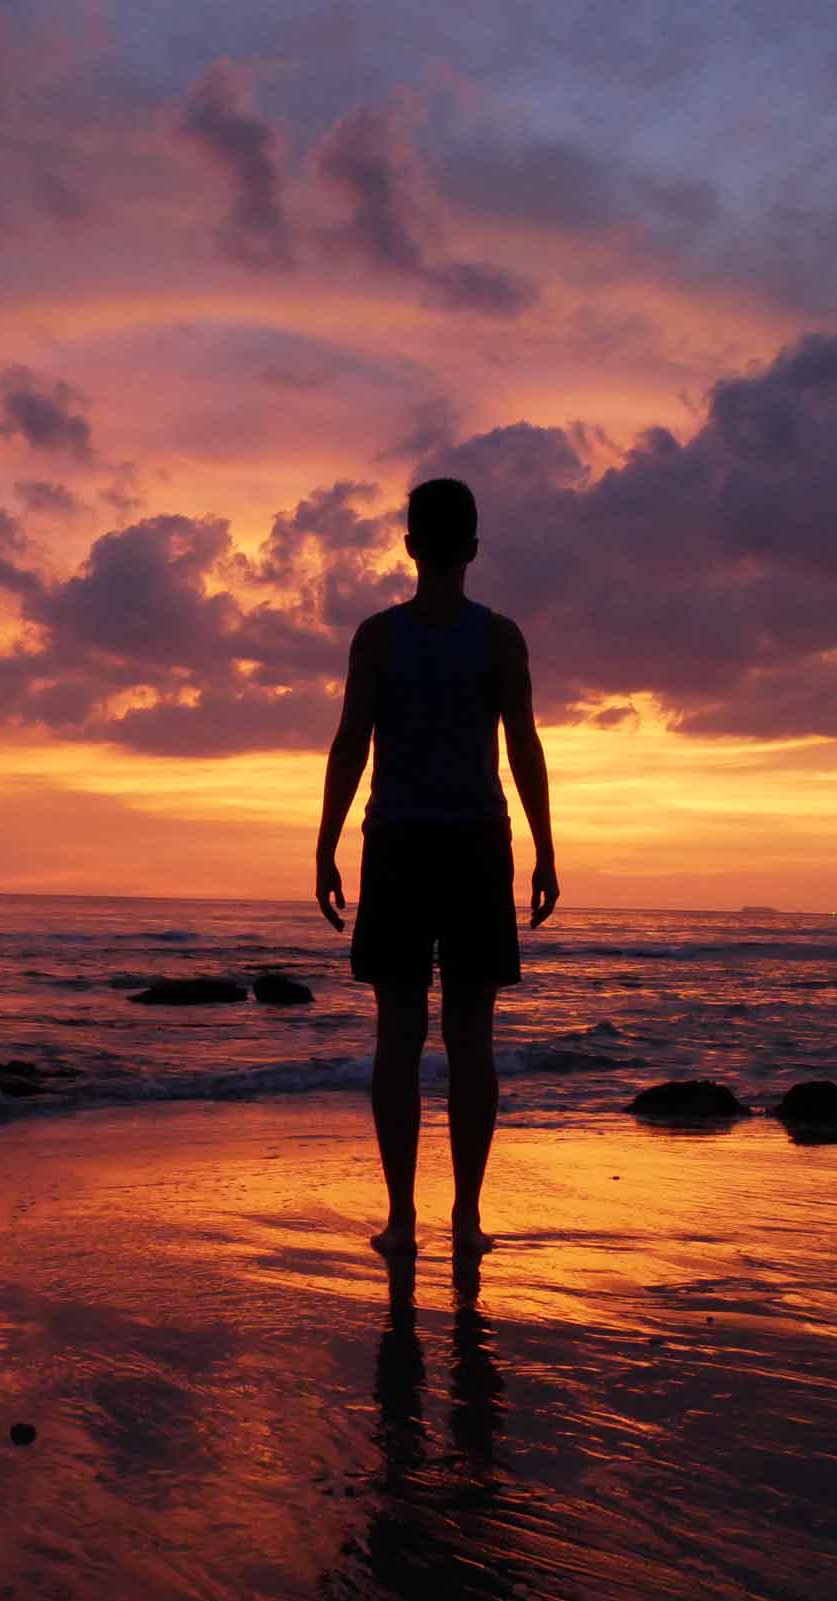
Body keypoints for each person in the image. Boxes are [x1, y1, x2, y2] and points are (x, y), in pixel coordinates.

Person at [315, 477, 559, 1264]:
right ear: (474, 548)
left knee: (399, 1034)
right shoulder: (499, 639)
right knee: (470, 1037)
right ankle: (464, 1216)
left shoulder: (379, 638)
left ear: (412, 544)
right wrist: (547, 847)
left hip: (399, 847)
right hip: (477, 847)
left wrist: (324, 842)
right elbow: (523, 746)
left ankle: (402, 1217)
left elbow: (350, 743)